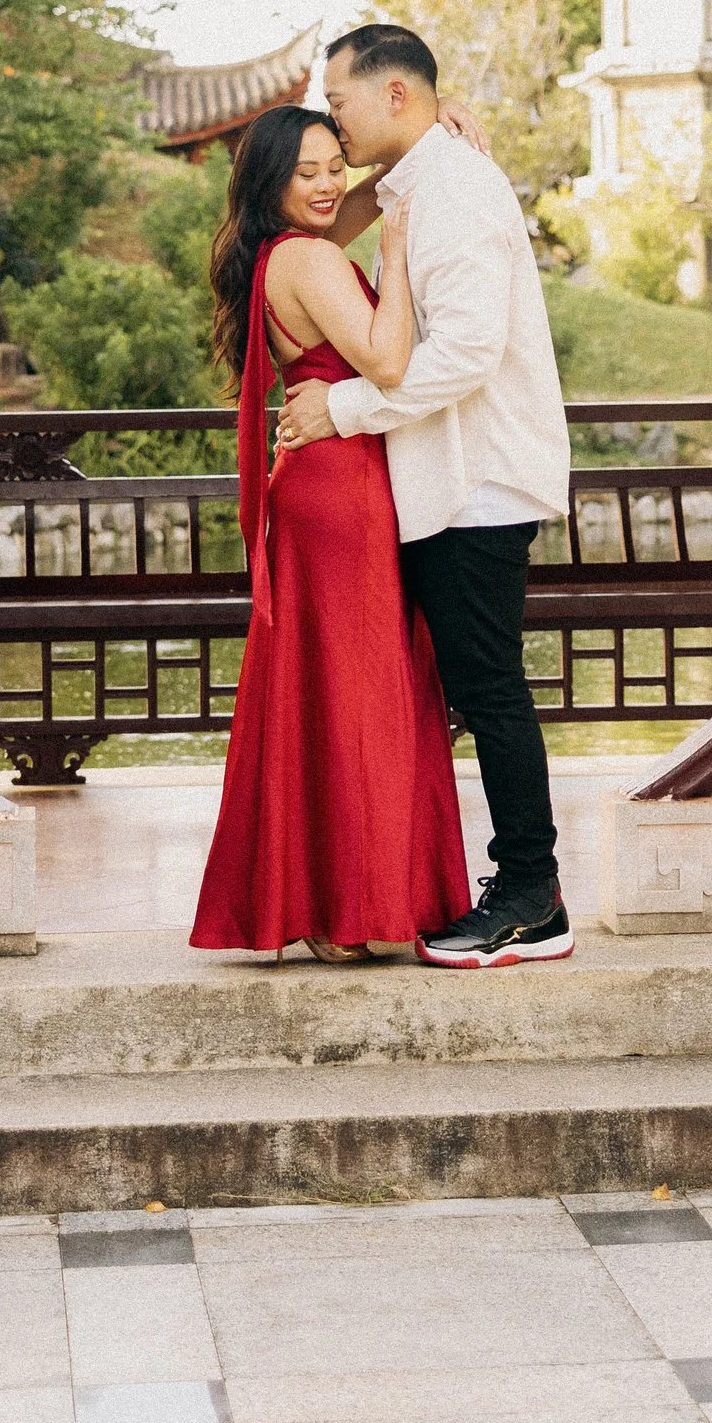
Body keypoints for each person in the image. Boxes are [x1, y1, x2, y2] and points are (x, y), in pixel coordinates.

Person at [275, 22, 576, 968]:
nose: (334, 119)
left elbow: (467, 353)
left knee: (491, 693)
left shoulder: (456, 188)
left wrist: (345, 409)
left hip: (477, 480)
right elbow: (328, 212)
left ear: (393, 94)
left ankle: (531, 896)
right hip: (441, 482)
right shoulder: (422, 178)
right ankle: (450, 885)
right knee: (469, 692)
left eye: (341, 102)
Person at [189, 104, 472, 961]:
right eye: (304, 171)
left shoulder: (283, 251)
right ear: (270, 182)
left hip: (321, 489)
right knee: (360, 695)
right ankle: (349, 910)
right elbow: (386, 363)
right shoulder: (312, 261)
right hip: (343, 494)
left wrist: (429, 143)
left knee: (330, 691)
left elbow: (360, 196)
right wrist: (391, 252)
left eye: (331, 166)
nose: (324, 184)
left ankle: (336, 903)